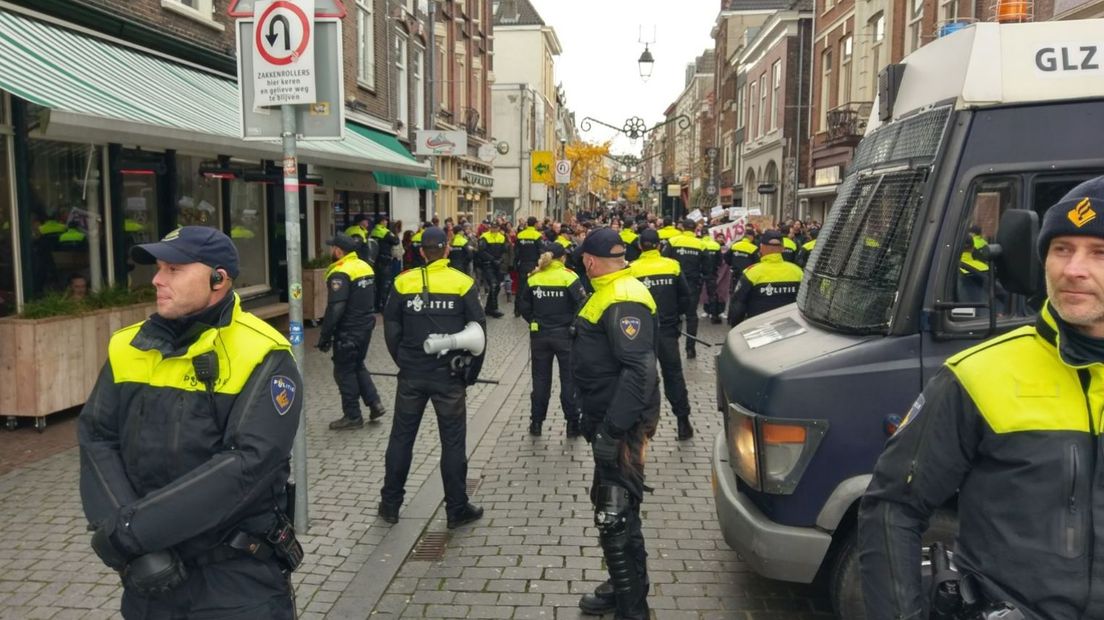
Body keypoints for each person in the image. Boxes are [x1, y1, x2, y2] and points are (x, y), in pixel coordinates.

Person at [859, 177, 1104, 620]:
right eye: (1062, 248)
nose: (1073, 269)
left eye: (1099, 253)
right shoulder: (977, 374)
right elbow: (892, 508)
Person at [79, 226, 303, 619]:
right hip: (150, 576)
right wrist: (130, 539)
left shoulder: (264, 353)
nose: (157, 280)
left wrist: (132, 533)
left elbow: (247, 465)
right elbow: (97, 438)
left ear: (219, 279)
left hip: (234, 582)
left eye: (174, 269)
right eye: (159, 268)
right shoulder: (126, 347)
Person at [573, 228, 659, 620]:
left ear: (589, 261)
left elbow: (640, 371)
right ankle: (623, 588)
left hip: (619, 424)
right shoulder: (611, 289)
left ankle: (632, 609)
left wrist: (611, 430)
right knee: (615, 507)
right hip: (608, 419)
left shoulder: (623, 296)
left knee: (615, 513)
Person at [380, 227, 486, 528]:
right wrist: (471, 375)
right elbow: (479, 330)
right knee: (453, 443)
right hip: (449, 377)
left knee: (401, 438)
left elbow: (391, 327)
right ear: (447, 249)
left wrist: (402, 360)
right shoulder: (463, 283)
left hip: (412, 374)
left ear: (422, 252)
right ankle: (456, 509)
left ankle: (390, 504)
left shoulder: (403, 282)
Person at [317, 233, 387, 430]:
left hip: (348, 329)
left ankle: (353, 416)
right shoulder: (364, 266)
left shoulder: (340, 272)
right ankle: (375, 403)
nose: (331, 251)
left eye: (333, 248)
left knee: (344, 371)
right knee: (357, 365)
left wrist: (325, 335)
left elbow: (336, 307)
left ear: (339, 251)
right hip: (365, 325)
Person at [518, 243, 588, 437]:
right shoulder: (569, 277)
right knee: (568, 380)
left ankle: (536, 423)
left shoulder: (534, 278)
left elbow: (523, 305)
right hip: (565, 336)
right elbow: (582, 303)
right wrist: (574, 324)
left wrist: (533, 320)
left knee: (540, 380)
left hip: (539, 336)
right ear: (562, 258)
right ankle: (573, 424)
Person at [629, 229, 694, 440]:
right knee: (674, 375)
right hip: (667, 331)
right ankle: (683, 422)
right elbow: (685, 297)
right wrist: (676, 318)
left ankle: (640, 425)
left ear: (640, 246)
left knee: (639, 377)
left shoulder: (631, 269)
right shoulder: (672, 266)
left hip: (640, 334)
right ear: (658, 246)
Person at [727, 230, 803, 326]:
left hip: (759, 329)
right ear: (782, 248)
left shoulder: (751, 272)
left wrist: (735, 327)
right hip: (789, 328)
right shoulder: (797, 271)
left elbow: (738, 305)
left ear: (761, 247)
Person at [664, 219, 706, 359]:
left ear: (682, 228)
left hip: (674, 283)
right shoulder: (701, 244)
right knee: (691, 316)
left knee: (672, 315)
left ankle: (672, 345)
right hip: (692, 285)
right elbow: (708, 267)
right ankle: (690, 349)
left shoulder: (673, 241)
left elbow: (664, 259)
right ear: (695, 229)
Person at [514, 217, 545, 316]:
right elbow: (541, 251)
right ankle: (532, 308)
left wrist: (515, 264)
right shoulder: (537, 236)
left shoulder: (520, 235)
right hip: (534, 265)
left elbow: (516, 252)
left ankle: (517, 309)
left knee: (521, 287)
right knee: (534, 286)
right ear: (535, 224)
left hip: (522, 264)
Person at [477, 221, 507, 318]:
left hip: (498, 265)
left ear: (499, 228)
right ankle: (494, 308)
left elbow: (505, 251)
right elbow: (481, 252)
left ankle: (488, 308)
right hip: (487, 264)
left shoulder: (502, 237)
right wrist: (493, 260)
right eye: (492, 227)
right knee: (493, 285)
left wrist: (501, 260)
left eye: (496, 227)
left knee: (497, 286)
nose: (494, 229)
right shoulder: (484, 237)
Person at [371, 215, 400, 312]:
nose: (386, 222)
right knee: (385, 283)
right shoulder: (385, 232)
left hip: (375, 260)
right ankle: (383, 305)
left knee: (377, 283)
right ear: (382, 222)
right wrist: (395, 232)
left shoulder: (373, 231)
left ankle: (375, 305)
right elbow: (396, 241)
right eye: (385, 220)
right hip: (385, 260)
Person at [700, 231, 723, 324]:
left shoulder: (699, 244)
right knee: (713, 294)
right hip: (712, 274)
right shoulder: (716, 245)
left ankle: (692, 314)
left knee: (696, 294)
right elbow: (720, 261)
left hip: (700, 273)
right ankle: (714, 315)